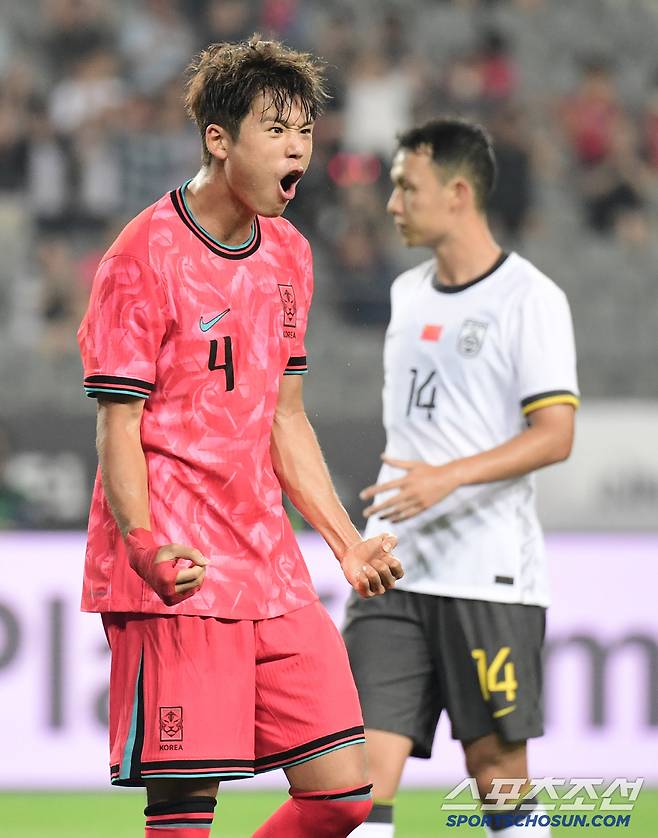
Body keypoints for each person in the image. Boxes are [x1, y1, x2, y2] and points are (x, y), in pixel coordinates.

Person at [77, 36, 403, 838]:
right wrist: (143, 544)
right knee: (185, 813)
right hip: (179, 565)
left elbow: (285, 416)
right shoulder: (141, 256)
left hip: (269, 563)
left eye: (306, 132)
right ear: (219, 140)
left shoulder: (289, 253)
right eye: (276, 130)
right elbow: (118, 423)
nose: (298, 150)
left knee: (343, 797)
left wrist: (346, 544)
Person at [343, 118, 579, 838]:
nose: (392, 204)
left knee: (498, 777)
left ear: (457, 193)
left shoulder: (530, 299)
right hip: (392, 566)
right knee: (354, 785)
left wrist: (449, 477)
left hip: (487, 575)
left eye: (405, 187)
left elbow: (556, 435)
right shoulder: (406, 293)